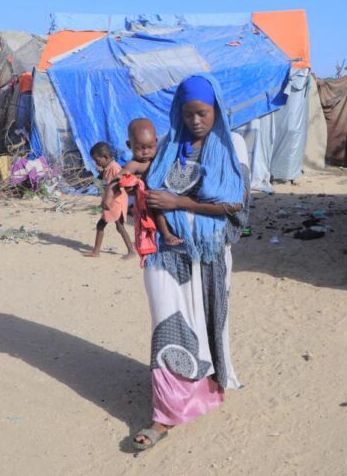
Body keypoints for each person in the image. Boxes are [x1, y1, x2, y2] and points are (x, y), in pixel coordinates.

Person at [131, 75, 250, 450]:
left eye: (203, 113)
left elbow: (237, 205)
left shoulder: (234, 146)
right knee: (168, 326)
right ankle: (164, 414)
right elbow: (147, 192)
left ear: (215, 109)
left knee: (205, 323)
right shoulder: (167, 147)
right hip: (167, 258)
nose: (196, 121)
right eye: (188, 114)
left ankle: (202, 392)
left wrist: (180, 203)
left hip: (211, 255)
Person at [110, 119, 183, 247]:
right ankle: (166, 234)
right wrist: (108, 197)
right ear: (129, 145)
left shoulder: (159, 157)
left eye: (150, 147)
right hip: (148, 198)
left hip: (163, 193)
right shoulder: (134, 164)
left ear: (156, 142)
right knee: (157, 210)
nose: (146, 152)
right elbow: (116, 179)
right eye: (140, 148)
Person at [83, 142, 135, 258]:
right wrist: (100, 172)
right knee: (106, 225)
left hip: (115, 202)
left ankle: (131, 251)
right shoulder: (108, 167)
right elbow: (103, 180)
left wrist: (106, 200)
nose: (97, 163)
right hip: (112, 201)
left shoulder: (115, 168)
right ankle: (96, 251)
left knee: (117, 226)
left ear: (105, 157)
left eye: (97, 160)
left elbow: (116, 185)